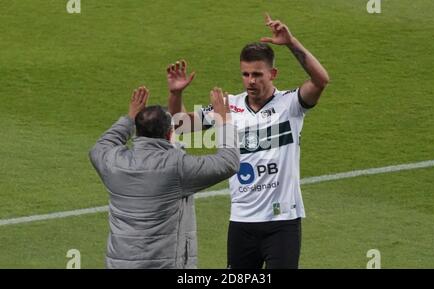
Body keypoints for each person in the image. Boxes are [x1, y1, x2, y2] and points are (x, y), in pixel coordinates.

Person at [167, 13, 329, 269]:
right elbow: (179, 124)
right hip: (242, 222)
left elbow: (321, 80)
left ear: (273, 73)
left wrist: (291, 43)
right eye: (245, 74)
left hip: (283, 222)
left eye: (257, 74)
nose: (250, 81)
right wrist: (175, 93)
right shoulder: (228, 106)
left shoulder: (290, 104)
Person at [89, 86, 239, 269]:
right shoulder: (176, 167)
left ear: (137, 131)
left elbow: (102, 145)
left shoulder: (113, 161)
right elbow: (228, 162)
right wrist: (224, 121)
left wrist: (129, 118)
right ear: (169, 134)